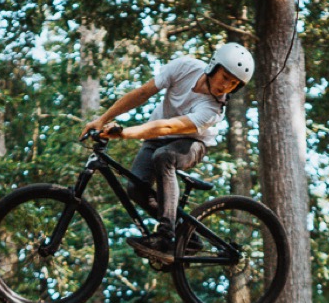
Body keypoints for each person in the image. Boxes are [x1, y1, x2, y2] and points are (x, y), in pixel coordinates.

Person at [82, 42, 255, 263]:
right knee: (136, 188)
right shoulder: (184, 67)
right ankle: (188, 236)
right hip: (156, 139)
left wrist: (124, 133)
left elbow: (168, 127)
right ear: (214, 66)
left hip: (192, 144)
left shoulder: (213, 110)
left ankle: (165, 236)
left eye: (233, 84)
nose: (226, 86)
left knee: (164, 157)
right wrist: (102, 119)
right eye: (225, 77)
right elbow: (143, 93)